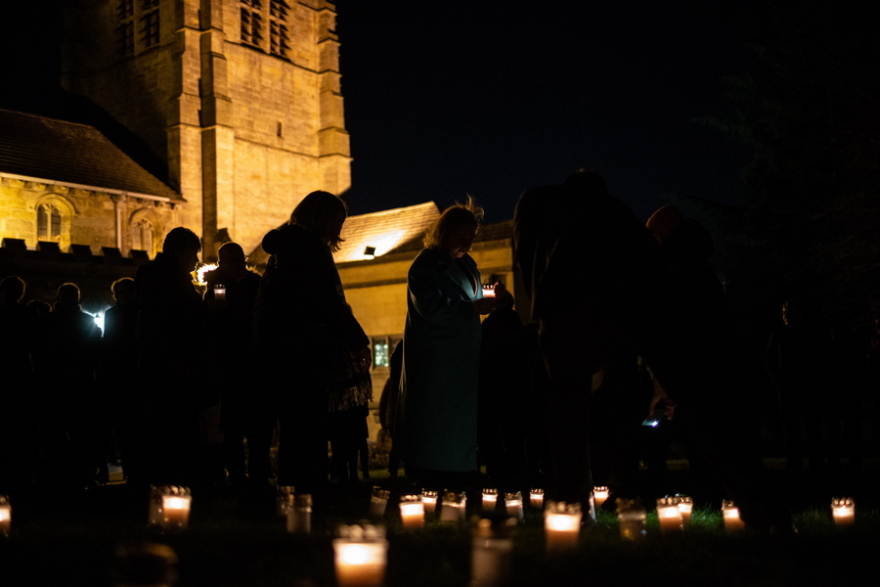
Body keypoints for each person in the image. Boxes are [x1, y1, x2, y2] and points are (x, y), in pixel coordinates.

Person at [254, 191, 371, 497]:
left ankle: (294, 491)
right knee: (308, 428)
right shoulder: (310, 249)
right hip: (304, 352)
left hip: (283, 351)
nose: (340, 229)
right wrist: (358, 341)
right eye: (338, 221)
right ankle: (306, 494)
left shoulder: (285, 249)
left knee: (296, 429)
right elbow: (328, 303)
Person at [395, 198, 508, 491]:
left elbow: (473, 298)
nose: (467, 245)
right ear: (444, 234)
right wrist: (471, 307)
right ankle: (431, 473)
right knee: (435, 419)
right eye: (461, 239)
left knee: (460, 420)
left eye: (470, 239)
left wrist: (490, 299)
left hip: (463, 357)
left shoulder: (468, 265)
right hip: (435, 359)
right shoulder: (425, 265)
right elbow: (430, 308)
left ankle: (459, 471)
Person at [133, 227, 206, 487]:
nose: (196, 261)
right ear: (180, 251)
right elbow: (184, 324)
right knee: (175, 432)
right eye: (193, 253)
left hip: (161, 368)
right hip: (173, 371)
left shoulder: (156, 277)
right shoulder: (170, 281)